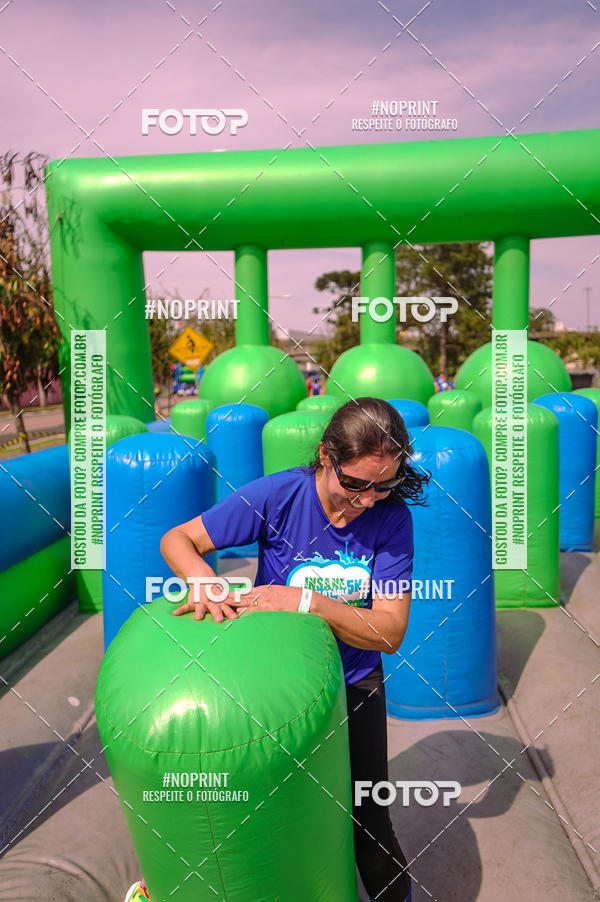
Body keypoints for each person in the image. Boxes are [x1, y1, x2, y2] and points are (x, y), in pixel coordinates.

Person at [125, 397, 429, 902]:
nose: (368, 499)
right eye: (354, 483)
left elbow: (389, 632)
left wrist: (307, 601)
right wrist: (204, 581)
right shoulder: (278, 495)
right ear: (326, 456)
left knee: (369, 821)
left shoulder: (392, 519)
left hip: (354, 682)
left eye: (384, 484)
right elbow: (178, 539)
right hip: (279, 687)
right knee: (278, 813)